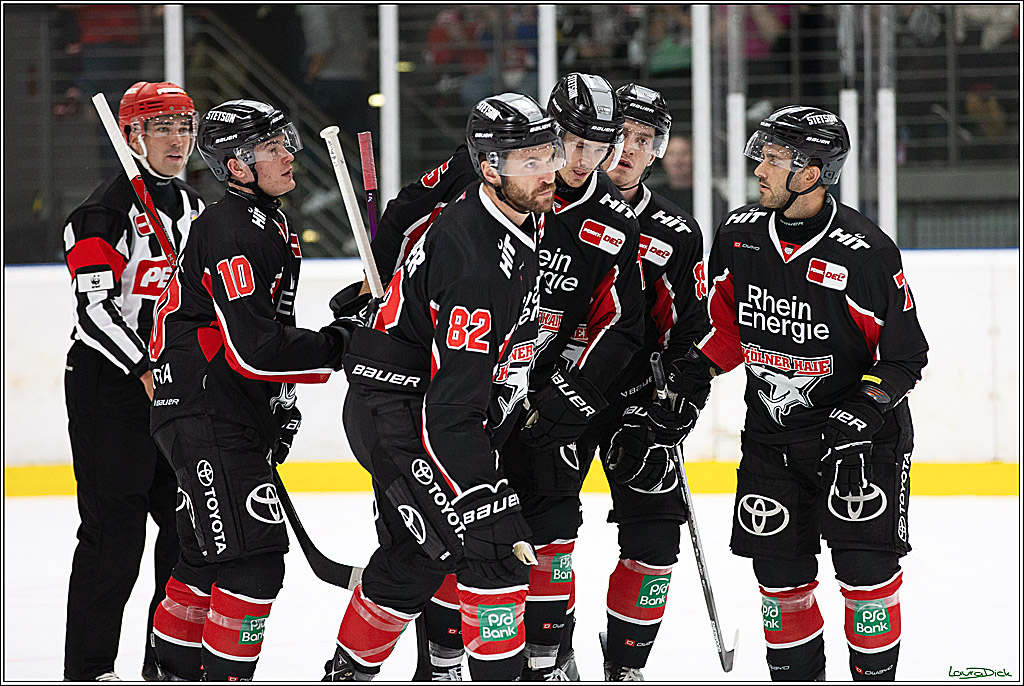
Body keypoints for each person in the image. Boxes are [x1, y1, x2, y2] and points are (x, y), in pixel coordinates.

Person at [368, 72, 644, 681]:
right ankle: (440, 659)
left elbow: (620, 323)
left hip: (533, 399)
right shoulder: (486, 183)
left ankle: (547, 655)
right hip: (460, 390)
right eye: (569, 143)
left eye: (597, 149)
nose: (576, 162)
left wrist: (573, 389)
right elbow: (405, 215)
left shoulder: (612, 222)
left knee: (543, 531)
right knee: (451, 539)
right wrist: (384, 291)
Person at [670, 106, 928, 681]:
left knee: (867, 584)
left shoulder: (865, 253)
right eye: (760, 154)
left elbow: (906, 355)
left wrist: (864, 408)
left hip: (858, 450)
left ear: (812, 172)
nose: (759, 167)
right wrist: (693, 372)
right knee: (780, 586)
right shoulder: (739, 235)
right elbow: (726, 329)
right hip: (772, 444)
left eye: (774, 158)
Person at [320, 92, 564, 682]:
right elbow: (447, 409)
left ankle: (345, 674)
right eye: (528, 159)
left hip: (418, 404)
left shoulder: (506, 218)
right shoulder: (473, 259)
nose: (548, 170)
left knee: (413, 557)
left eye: (547, 153)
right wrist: (482, 493)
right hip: (401, 413)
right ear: (490, 170)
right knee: (491, 551)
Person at [147, 99, 356, 681]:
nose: (290, 154)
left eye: (285, 140)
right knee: (252, 565)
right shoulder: (234, 228)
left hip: (211, 410)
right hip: (208, 413)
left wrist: (278, 397)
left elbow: (262, 339)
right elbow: (257, 348)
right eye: (271, 147)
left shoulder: (262, 220)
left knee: (202, 560)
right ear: (237, 166)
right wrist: (339, 345)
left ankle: (175, 672)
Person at [62, 81, 204, 682]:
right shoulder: (102, 212)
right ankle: (90, 669)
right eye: (163, 127)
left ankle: (164, 662)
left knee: (184, 531)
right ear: (132, 135)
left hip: (171, 386)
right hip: (110, 386)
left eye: (185, 125)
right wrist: (144, 365)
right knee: (113, 535)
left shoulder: (194, 209)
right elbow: (94, 310)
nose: (179, 139)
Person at [577, 83, 709, 681]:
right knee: (542, 528)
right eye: (622, 134)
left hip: (638, 401)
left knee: (655, 541)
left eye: (645, 140)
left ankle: (625, 665)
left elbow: (694, 334)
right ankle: (547, 656)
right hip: (559, 390)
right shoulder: (557, 209)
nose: (628, 149)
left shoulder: (677, 232)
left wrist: (682, 401)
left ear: (659, 151)